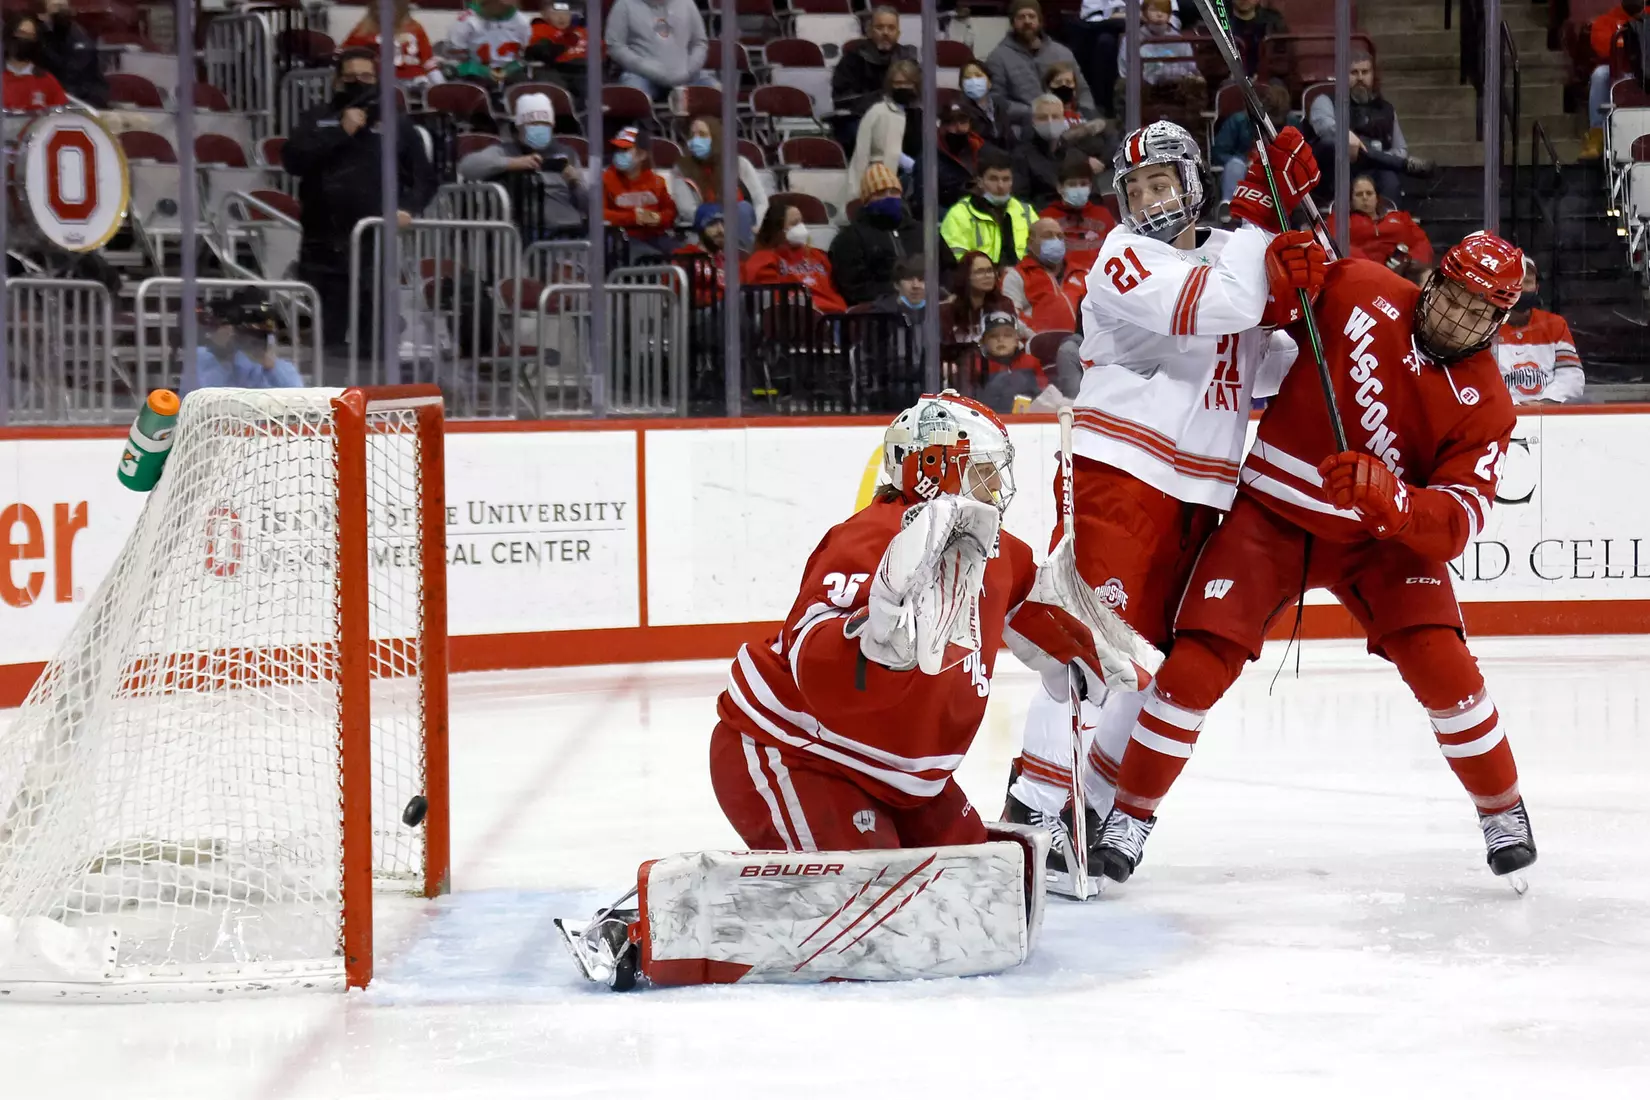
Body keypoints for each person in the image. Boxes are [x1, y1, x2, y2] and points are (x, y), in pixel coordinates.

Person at [1092, 233, 1538, 891]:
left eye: (1478, 311)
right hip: (1271, 516)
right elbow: (1261, 320)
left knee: (1447, 670)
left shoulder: (1489, 406)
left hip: (1378, 544)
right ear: (1433, 280)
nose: (1457, 316)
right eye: (1454, 297)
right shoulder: (1359, 285)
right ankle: (1129, 818)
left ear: (1498, 321)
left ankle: (1503, 812)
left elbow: (1455, 524)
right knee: (1193, 669)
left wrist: (1394, 501)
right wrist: (1278, 273)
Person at [1002, 121, 1325, 885]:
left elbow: (1264, 365)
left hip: (1198, 492)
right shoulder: (1124, 257)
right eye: (1135, 188)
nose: (1147, 200)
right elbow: (1218, 306)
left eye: (1160, 183)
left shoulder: (1224, 258)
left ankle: (1092, 807)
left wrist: (1305, 264)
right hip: (1121, 470)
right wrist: (1260, 216)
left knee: (1150, 664)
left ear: (1190, 183)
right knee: (1086, 644)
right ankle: (1031, 811)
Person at [282, 48, 437, 355]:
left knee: (376, 340)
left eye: (365, 77)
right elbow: (293, 160)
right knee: (327, 341)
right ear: (337, 81)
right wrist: (341, 130)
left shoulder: (397, 126)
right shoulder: (317, 117)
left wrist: (407, 207)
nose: (358, 83)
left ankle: (371, 401)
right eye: (350, 77)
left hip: (374, 251)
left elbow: (424, 179)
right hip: (322, 247)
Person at [1307, 50, 1434, 204]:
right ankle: (1401, 165)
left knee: (1390, 180)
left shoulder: (1386, 109)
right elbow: (1325, 129)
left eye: (1365, 72)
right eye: (1354, 72)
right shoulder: (1324, 101)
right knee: (1332, 143)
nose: (1360, 77)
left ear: (1373, 75)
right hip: (1338, 166)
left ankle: (1390, 224)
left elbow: (1400, 150)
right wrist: (1348, 137)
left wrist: (1373, 153)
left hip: (1375, 168)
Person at [456, 92, 587, 239]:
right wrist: (513, 163)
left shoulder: (566, 152)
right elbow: (467, 166)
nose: (539, 129)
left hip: (570, 230)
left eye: (545, 125)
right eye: (532, 125)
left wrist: (576, 182)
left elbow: (587, 203)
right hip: (529, 232)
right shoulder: (505, 151)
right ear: (519, 127)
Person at [830, 164, 926, 306]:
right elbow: (855, 287)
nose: (888, 197)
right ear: (867, 201)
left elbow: (945, 269)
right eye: (880, 193)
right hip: (880, 312)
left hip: (927, 305)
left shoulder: (920, 230)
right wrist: (898, 295)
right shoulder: (850, 238)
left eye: (893, 191)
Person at [1495, 257, 1584, 404]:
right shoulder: (1486, 326)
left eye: (1527, 282)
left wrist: (1546, 402)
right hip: (1502, 413)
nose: (1521, 288)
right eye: (1515, 281)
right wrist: (1515, 405)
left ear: (1536, 288)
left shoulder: (1555, 325)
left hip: (1549, 414)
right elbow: (1481, 381)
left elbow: (1571, 375)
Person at [988, 0, 1098, 117]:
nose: (1027, 21)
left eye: (1031, 16)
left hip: (1068, 122)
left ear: (1040, 21)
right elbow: (997, 101)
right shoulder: (998, 58)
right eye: (1021, 17)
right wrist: (1035, 112)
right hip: (1024, 127)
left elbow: (1083, 90)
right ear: (1013, 22)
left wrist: (1082, 115)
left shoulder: (1062, 53)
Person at [670, 115, 768, 245]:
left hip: (743, 226)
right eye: (692, 135)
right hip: (704, 231)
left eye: (702, 135)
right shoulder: (681, 169)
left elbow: (760, 201)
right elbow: (688, 210)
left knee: (743, 209)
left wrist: (757, 224)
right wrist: (719, 223)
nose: (695, 140)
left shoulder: (739, 164)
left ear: (716, 138)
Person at [831, 6, 918, 150]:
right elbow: (842, 100)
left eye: (891, 28)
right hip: (862, 119)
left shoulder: (908, 59)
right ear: (870, 31)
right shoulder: (852, 60)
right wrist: (882, 99)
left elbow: (918, 95)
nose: (885, 33)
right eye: (880, 27)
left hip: (902, 118)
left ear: (898, 33)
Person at [743, 199, 847, 314]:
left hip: (837, 315)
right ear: (779, 230)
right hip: (800, 319)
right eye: (795, 223)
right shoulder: (763, 260)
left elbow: (835, 288)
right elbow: (772, 300)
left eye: (801, 222)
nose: (801, 227)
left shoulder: (817, 255)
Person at [1116, 0, 1206, 130]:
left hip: (1174, 85)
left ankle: (1193, 136)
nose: (1159, 15)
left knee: (1196, 84)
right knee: (1124, 85)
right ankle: (1128, 137)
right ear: (1144, 13)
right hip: (1144, 86)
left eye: (1163, 11)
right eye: (1154, 10)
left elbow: (1190, 68)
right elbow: (1124, 69)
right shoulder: (1131, 38)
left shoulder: (1179, 39)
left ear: (1170, 15)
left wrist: (1171, 74)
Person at [1326, 174, 1434, 281]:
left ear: (1377, 198)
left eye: (1369, 193)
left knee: (1428, 275)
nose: (1365, 198)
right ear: (1351, 201)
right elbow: (1335, 243)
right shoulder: (1341, 220)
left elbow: (1421, 242)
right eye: (1359, 194)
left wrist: (1410, 260)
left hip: (1404, 272)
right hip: (1364, 275)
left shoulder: (1400, 217)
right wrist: (1371, 267)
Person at [940, 148, 1037, 266]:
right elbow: (958, 262)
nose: (1001, 186)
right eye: (993, 179)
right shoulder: (959, 214)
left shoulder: (1026, 212)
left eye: (1006, 179)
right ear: (980, 182)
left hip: (1024, 279)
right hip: (980, 280)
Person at [188, 295, 304, 393]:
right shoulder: (204, 358)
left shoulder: (281, 369)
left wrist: (271, 366)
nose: (251, 335)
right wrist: (224, 356)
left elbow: (298, 399)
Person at [605, 0, 715, 101]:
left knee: (715, 92)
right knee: (633, 93)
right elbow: (615, 46)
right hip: (642, 75)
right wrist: (645, 67)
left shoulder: (687, 3)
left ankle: (702, 122)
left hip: (686, 73)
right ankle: (636, 123)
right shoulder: (624, 4)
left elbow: (699, 43)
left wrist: (690, 68)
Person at [1011, 94, 1104, 210]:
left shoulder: (1076, 155)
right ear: (1033, 121)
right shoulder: (1022, 156)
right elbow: (1020, 201)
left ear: (1063, 119)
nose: (1050, 122)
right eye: (1043, 117)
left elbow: (1095, 197)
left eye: (1055, 117)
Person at [1210, 81, 1294, 207]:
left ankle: (1283, 211)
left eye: (1276, 122)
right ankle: (1230, 207)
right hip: (1243, 166)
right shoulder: (1238, 121)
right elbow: (1219, 153)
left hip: (1275, 169)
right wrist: (1245, 162)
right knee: (1235, 165)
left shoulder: (1291, 123)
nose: (1270, 126)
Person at [846, 59, 919, 202]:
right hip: (880, 183)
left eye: (907, 83)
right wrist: (855, 194)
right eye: (898, 83)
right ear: (890, 85)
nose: (903, 87)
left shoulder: (922, 116)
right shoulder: (877, 112)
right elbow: (861, 155)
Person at [1002, 218, 1090, 334]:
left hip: (1080, 346)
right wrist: (1037, 339)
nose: (1056, 241)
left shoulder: (1082, 274)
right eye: (1048, 236)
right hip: (1037, 346)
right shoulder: (1017, 276)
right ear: (1030, 242)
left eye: (1060, 236)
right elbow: (1011, 317)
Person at [1583, 0, 1645, 159]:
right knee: (1600, 75)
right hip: (1619, 71)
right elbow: (1605, 50)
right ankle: (1597, 136)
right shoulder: (1605, 21)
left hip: (1646, 71)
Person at [602, 125, 677, 253]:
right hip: (623, 239)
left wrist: (658, 218)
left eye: (625, 150)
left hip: (656, 236)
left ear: (642, 154)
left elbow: (670, 211)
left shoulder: (656, 181)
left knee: (685, 254)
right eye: (617, 149)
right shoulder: (605, 180)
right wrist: (633, 217)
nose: (619, 154)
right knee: (648, 255)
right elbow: (600, 213)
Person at [343, 1, 444, 89]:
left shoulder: (416, 28)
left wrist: (438, 82)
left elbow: (427, 59)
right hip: (380, 80)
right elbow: (347, 53)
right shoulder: (364, 29)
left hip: (415, 79)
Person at [1041, 151, 1117, 263]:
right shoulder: (1046, 219)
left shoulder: (1104, 215)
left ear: (1091, 186)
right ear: (1060, 187)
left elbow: (1115, 252)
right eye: (1072, 184)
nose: (1078, 189)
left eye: (1083, 184)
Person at [976, 309, 1052, 411]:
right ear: (983, 341)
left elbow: (1045, 395)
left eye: (1007, 335)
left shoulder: (1031, 361)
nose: (1001, 340)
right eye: (993, 336)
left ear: (1017, 340)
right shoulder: (978, 365)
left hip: (1029, 420)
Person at [445, 0, 534, 83]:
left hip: (511, 73)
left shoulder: (522, 22)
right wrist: (476, 69)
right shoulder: (467, 20)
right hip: (475, 73)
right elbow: (454, 56)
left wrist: (510, 69)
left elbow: (523, 53)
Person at [35, 0, 105, 107]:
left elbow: (92, 76)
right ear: (42, 15)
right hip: (48, 99)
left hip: (81, 98)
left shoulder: (79, 35)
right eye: (56, 6)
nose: (62, 10)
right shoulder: (36, 38)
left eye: (64, 6)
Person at [941, 249, 1016, 346]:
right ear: (966, 276)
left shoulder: (1004, 305)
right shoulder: (947, 311)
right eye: (979, 272)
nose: (987, 276)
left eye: (990, 271)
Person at [934, 102, 995, 213]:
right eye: (951, 123)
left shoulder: (985, 151)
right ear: (942, 127)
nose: (959, 128)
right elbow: (923, 204)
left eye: (963, 122)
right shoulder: (931, 159)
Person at [2, 15, 67, 111]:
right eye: (21, 33)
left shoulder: (46, 80)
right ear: (9, 36)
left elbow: (61, 116)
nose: (24, 39)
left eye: (30, 36)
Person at [526, 0, 589, 97]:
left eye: (565, 13)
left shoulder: (583, 32)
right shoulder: (539, 30)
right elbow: (537, 51)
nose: (561, 17)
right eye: (555, 13)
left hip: (584, 71)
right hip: (555, 70)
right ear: (544, 14)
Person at [957, 59, 1021, 150]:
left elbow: (1010, 140)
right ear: (962, 85)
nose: (974, 81)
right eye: (967, 78)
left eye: (978, 76)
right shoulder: (961, 111)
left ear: (989, 83)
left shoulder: (999, 106)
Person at [673, 203, 729, 307]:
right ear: (700, 229)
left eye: (723, 224)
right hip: (698, 316)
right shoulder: (686, 256)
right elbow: (679, 295)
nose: (720, 230)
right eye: (712, 224)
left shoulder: (729, 261)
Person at [1226, 0, 1288, 79]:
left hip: (1268, 79)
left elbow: (1282, 60)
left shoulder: (1274, 21)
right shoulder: (1218, 21)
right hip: (1229, 79)